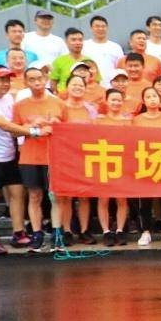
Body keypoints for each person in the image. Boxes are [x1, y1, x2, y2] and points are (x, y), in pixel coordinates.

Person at [0, 66, 44, 255]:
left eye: (7, 80)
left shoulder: (9, 99)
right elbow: (2, 124)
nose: (5, 83)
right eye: (1, 79)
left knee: (18, 192)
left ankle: (18, 232)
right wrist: (32, 131)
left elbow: (15, 124)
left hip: (9, 153)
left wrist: (29, 125)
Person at [12, 66, 62, 252]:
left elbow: (68, 129)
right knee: (34, 196)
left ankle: (57, 233)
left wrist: (56, 126)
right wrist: (30, 126)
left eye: (40, 78)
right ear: (26, 82)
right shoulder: (20, 105)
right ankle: (37, 232)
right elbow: (13, 129)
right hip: (30, 156)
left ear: (46, 79)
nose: (37, 82)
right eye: (32, 79)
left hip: (53, 156)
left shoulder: (58, 103)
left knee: (55, 196)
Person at [130, 86, 161, 247]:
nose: (152, 99)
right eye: (148, 97)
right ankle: (146, 231)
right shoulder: (137, 120)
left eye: (154, 96)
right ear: (144, 100)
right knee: (145, 199)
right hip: (144, 161)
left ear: (159, 99)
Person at [58, 75, 100, 245]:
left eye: (81, 85)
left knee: (84, 196)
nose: (77, 87)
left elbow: (97, 131)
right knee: (66, 196)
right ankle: (67, 230)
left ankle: (84, 230)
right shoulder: (60, 108)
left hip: (85, 156)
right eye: (74, 84)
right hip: (65, 157)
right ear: (67, 87)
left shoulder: (90, 109)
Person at [96, 87, 132, 246]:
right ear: (107, 101)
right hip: (103, 161)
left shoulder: (128, 121)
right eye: (113, 100)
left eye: (119, 100)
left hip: (123, 162)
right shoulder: (98, 120)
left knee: (121, 198)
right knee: (103, 198)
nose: (116, 103)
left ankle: (120, 230)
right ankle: (106, 231)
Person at [82, 14, 125, 79]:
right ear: (91, 28)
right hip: (90, 85)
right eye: (97, 26)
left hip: (111, 86)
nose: (100, 29)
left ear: (107, 28)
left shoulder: (116, 47)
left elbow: (120, 68)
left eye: (103, 26)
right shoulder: (84, 45)